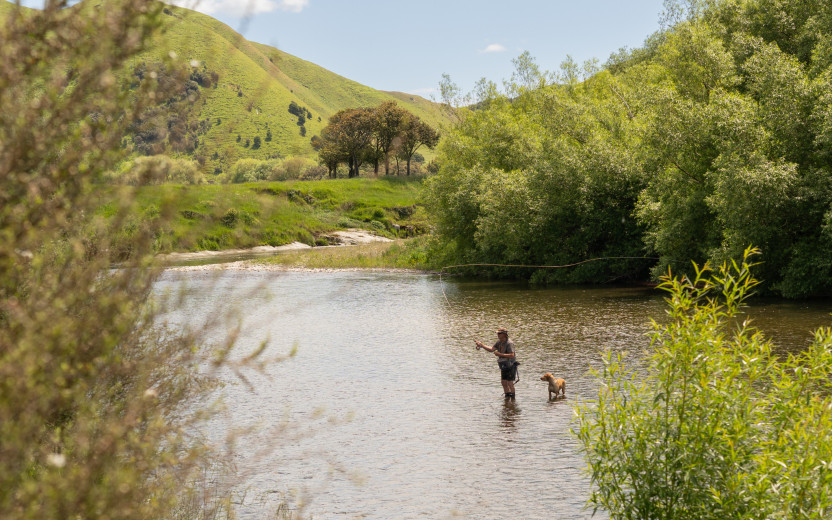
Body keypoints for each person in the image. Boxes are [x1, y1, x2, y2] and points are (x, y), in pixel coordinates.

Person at [475, 327, 518, 400]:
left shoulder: (509, 343)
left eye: (499, 333)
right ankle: (507, 399)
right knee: (503, 382)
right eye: (497, 333)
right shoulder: (499, 342)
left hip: (511, 365)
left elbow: (511, 355)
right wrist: (481, 345)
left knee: (510, 383)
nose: (498, 335)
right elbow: (491, 349)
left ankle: (513, 399)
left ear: (504, 334)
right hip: (504, 365)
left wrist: (499, 354)